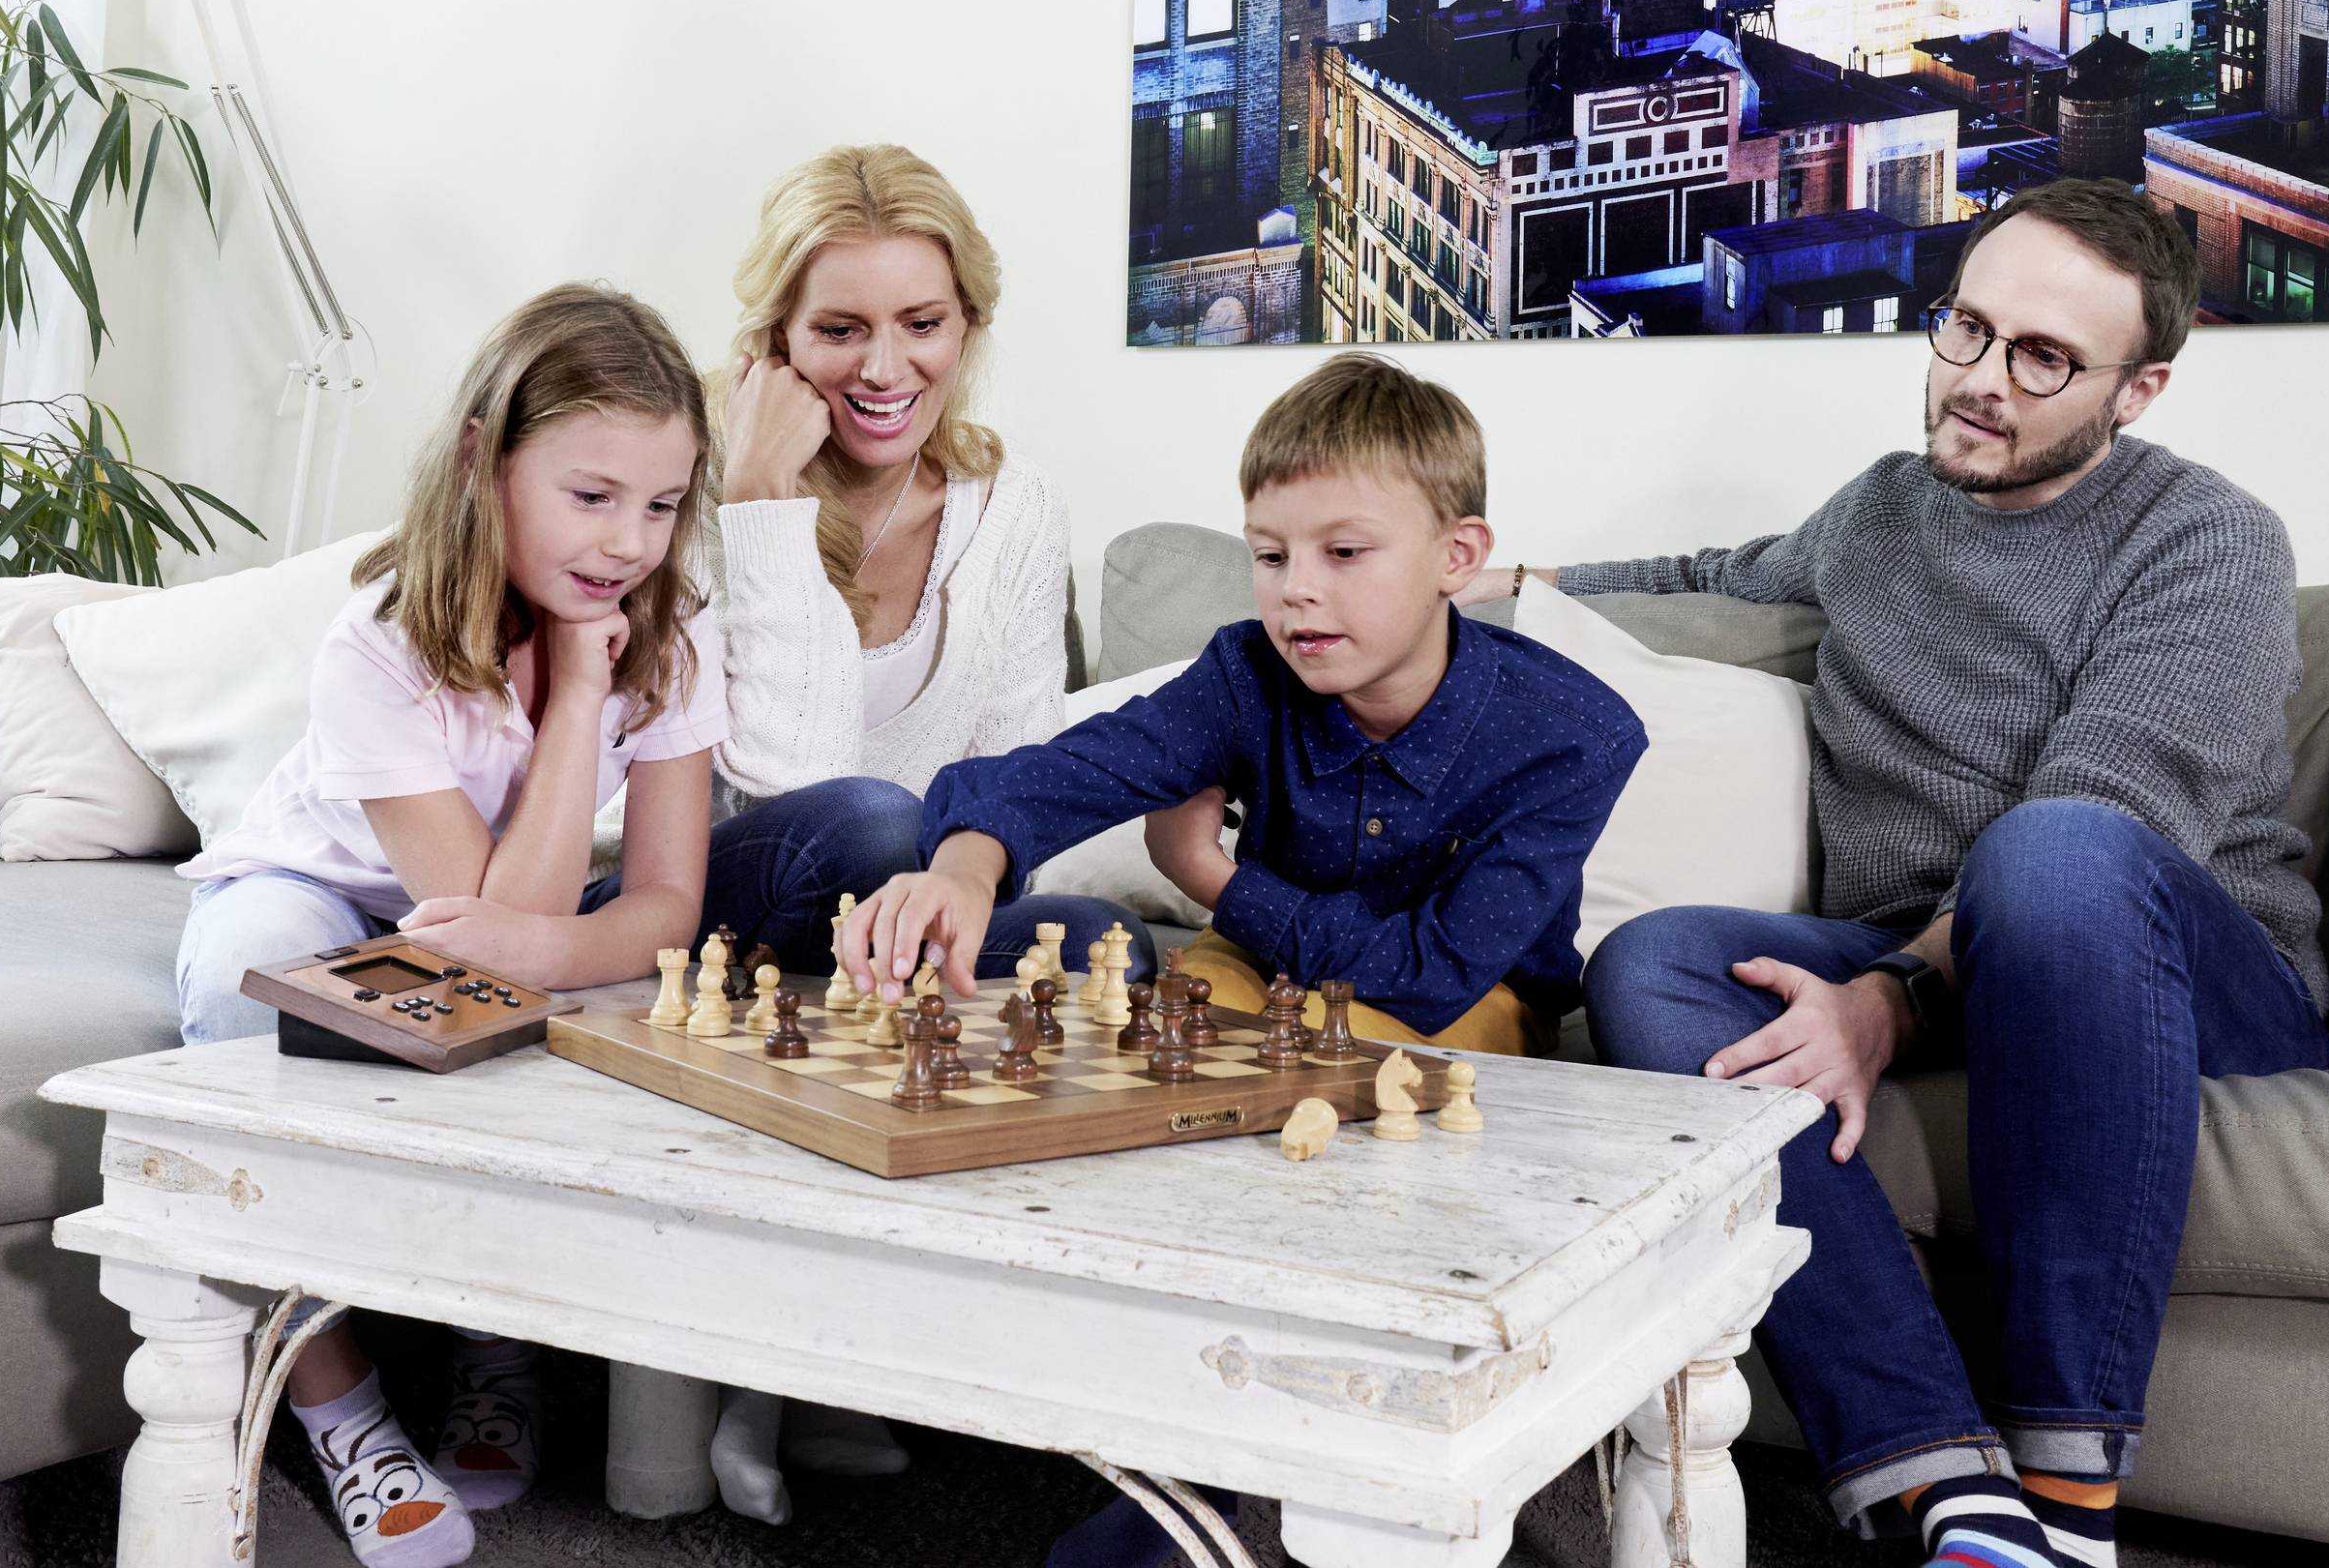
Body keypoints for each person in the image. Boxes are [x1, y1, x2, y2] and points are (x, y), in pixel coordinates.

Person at [1521, 180, 2328, 1568]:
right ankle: (1942, 1489)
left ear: (2140, 390)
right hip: (1939, 957)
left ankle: (2070, 1510)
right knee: (1651, 964)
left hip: (2175, 987)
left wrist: (1887, 998)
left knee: (2053, 852)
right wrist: (1472, 581)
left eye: (2043, 359)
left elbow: (2108, 817)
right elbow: (1716, 569)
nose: (1979, 384)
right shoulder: (1883, 511)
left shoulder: (2211, 540)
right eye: (1967, 328)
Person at [835, 352, 1644, 1567]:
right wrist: (967, 863)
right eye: (1270, 555)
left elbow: (1429, 971)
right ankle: (1165, 1437)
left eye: (1344, 553)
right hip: (1250, 969)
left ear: (1458, 559)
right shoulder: (1244, 671)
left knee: (1353, 1107)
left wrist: (1217, 879)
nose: (1297, 595)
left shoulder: (1576, 732)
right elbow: (1065, 768)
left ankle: (1249, 1491)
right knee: (1140, 1086)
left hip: (1456, 1006)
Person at [176, 286, 726, 1568]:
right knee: (228, 1008)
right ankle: (342, 1409)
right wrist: (583, 690)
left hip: (499, 905)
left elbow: (663, 907)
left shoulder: (675, 629)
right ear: (485, 457)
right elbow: (489, 923)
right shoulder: (380, 638)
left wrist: (548, 955)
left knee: (551, 1021)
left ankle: (495, 1346)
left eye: (661, 504)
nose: (631, 543)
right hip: (319, 888)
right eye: (591, 495)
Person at [687, 142, 1157, 1520]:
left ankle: (950, 1368)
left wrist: (940, 894)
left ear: (968, 330)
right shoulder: (702, 498)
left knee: (1096, 934)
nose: (883, 366)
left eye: (921, 324)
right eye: (838, 329)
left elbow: (1010, 785)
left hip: (899, 908)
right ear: (776, 343)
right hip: (739, 892)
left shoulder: (1014, 514)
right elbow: (786, 775)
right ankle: (764, 1373)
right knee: (874, 814)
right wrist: (762, 509)